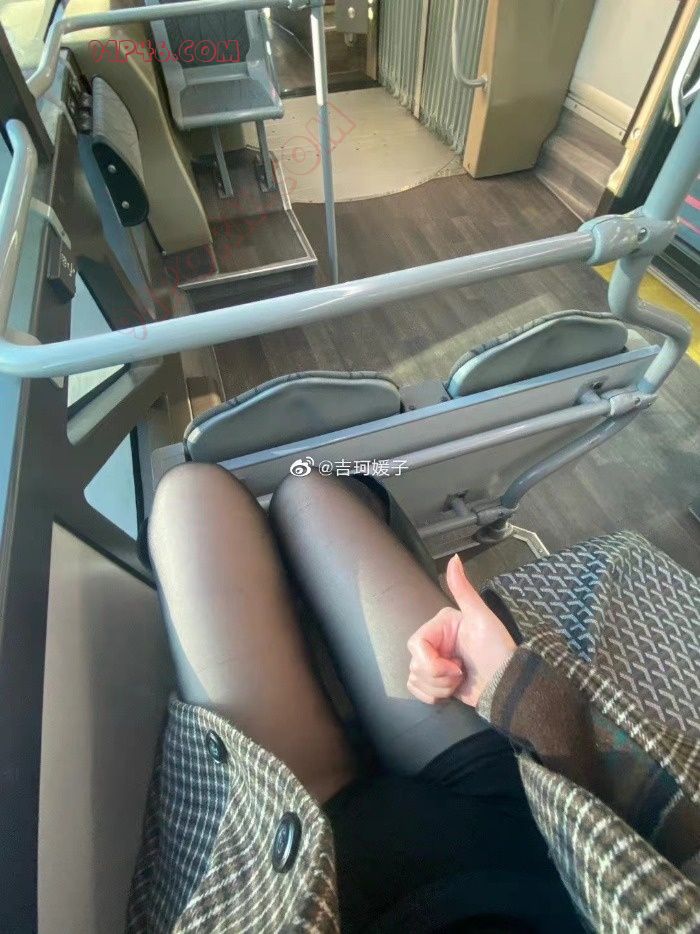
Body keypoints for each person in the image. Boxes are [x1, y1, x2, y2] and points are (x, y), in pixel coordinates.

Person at [131, 464, 700, 933]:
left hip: (303, 886)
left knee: (188, 500)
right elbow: (652, 864)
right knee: (308, 491)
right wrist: (512, 686)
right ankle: (365, 511)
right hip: (524, 838)